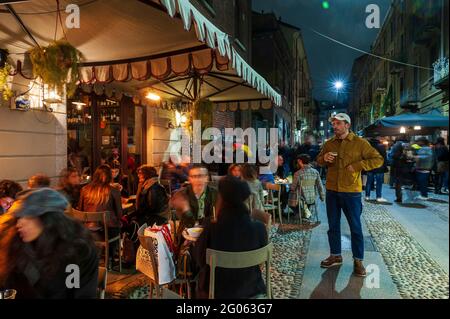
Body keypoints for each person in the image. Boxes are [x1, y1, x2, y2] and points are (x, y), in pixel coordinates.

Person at [316, 113, 383, 277]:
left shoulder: (360, 143)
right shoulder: (329, 143)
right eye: (333, 123)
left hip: (351, 191)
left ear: (347, 125)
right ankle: (335, 255)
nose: (334, 126)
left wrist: (359, 165)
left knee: (355, 227)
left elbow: (378, 159)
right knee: (333, 226)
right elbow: (318, 161)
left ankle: (358, 260)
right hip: (332, 190)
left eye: (338, 123)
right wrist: (324, 158)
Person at [0, 188, 98, 298]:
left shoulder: (78, 251)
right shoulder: (16, 245)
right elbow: (7, 285)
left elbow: (80, 294)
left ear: (47, 219)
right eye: (18, 218)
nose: (19, 224)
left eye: (27, 216)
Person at [192, 176, 268, 299]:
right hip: (251, 290)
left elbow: (199, 261)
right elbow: (260, 261)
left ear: (221, 199)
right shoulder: (259, 228)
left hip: (215, 292)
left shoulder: (211, 228)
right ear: (245, 199)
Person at [78, 164, 122, 267]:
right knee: (118, 226)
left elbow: (81, 210)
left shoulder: (85, 189)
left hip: (88, 228)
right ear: (110, 176)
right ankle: (110, 258)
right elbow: (120, 214)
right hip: (107, 230)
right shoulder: (114, 191)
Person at [289, 154, 325, 221]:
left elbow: (293, 188)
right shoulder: (315, 172)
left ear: (300, 161)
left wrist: (290, 186)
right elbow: (320, 186)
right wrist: (322, 197)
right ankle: (305, 212)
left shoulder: (298, 173)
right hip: (312, 198)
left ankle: (299, 213)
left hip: (301, 199)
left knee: (289, 196)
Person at [391, 136, 414, 203]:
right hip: (405, 167)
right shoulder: (409, 145)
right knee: (404, 182)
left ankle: (399, 198)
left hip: (397, 166)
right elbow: (410, 157)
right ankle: (408, 196)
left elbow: (392, 155)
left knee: (398, 183)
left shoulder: (396, 145)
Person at [365, 137, 388, 202]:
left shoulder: (368, 146)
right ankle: (378, 197)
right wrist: (385, 166)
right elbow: (384, 157)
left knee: (369, 182)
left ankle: (367, 196)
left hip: (370, 166)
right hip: (379, 167)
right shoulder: (381, 146)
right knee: (379, 182)